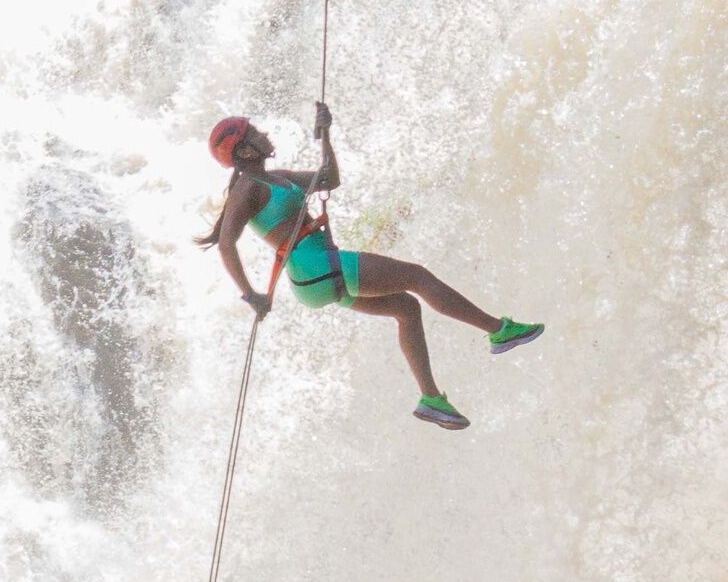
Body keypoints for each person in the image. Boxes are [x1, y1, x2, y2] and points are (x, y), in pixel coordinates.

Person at [200, 104, 540, 432]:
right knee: (417, 277)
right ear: (244, 151)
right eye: (255, 133)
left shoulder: (277, 177)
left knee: (407, 308)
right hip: (317, 266)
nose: (264, 134)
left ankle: (431, 399)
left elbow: (329, 179)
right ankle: (498, 329)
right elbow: (227, 244)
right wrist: (250, 294)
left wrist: (326, 136)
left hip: (314, 277)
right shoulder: (247, 189)